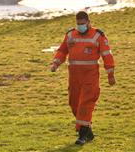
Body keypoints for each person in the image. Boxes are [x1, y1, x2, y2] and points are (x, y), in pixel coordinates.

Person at [50, 11, 116, 145]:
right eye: (78, 24)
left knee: (85, 104)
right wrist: (56, 63)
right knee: (74, 104)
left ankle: (82, 136)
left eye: (82, 24)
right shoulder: (70, 35)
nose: (80, 26)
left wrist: (110, 74)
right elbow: (62, 50)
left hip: (90, 76)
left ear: (88, 22)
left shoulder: (98, 36)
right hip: (74, 76)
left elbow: (106, 55)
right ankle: (88, 131)